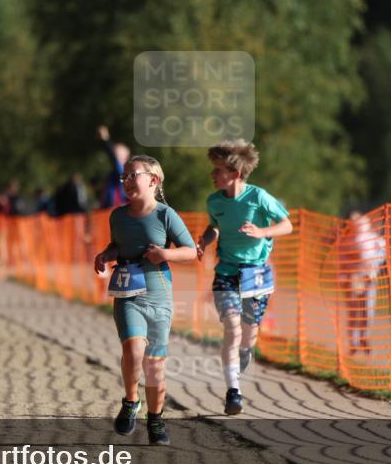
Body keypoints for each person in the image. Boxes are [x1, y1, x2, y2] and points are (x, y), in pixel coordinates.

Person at [94, 156, 196, 445]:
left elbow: (190, 251)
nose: (125, 181)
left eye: (132, 175)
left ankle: (156, 419)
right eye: (123, 177)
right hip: (128, 294)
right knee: (134, 350)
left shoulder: (166, 215)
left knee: (154, 364)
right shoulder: (118, 216)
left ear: (153, 180)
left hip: (159, 295)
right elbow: (117, 247)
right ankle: (130, 401)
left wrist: (165, 255)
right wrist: (105, 255)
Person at [196, 141, 293, 415]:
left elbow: (287, 224)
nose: (212, 175)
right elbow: (214, 227)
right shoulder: (214, 201)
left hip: (257, 274)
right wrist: (204, 241)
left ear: (235, 174)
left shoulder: (258, 197)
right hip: (226, 271)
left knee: (249, 333)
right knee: (232, 327)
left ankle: (245, 354)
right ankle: (233, 392)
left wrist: (262, 232)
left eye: (218, 170)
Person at [341, 211, 386, 355]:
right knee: (354, 312)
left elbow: (382, 253)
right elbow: (341, 259)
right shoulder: (346, 240)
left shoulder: (375, 239)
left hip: (369, 279)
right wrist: (346, 276)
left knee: (368, 311)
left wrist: (374, 268)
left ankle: (364, 337)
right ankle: (353, 343)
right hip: (352, 279)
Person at [97, 125, 130, 209]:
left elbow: (114, 160)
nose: (114, 155)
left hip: (117, 212)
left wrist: (106, 140)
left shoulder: (124, 174)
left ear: (126, 158)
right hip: (107, 213)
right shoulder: (113, 174)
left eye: (117, 154)